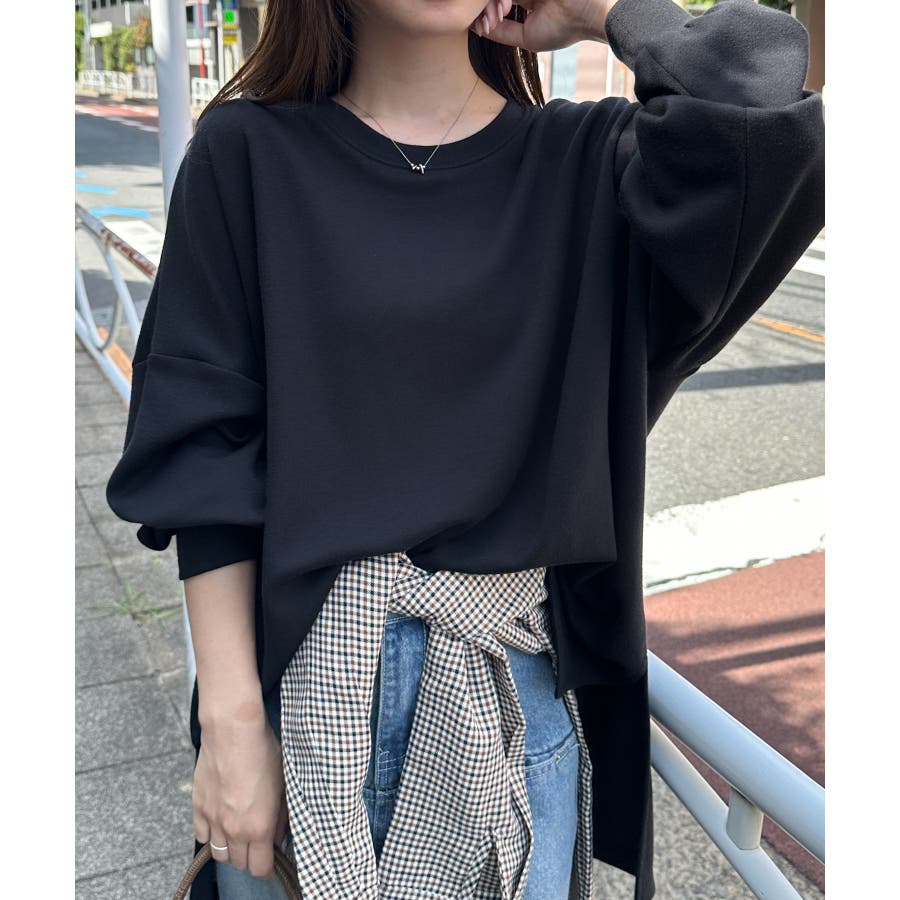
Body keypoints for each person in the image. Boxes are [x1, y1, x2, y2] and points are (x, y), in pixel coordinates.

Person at [104, 0, 825, 897]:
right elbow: (204, 455)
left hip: (510, 707)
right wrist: (230, 721)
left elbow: (761, 103)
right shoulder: (246, 152)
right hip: (302, 702)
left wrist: (600, 11)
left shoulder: (591, 162)